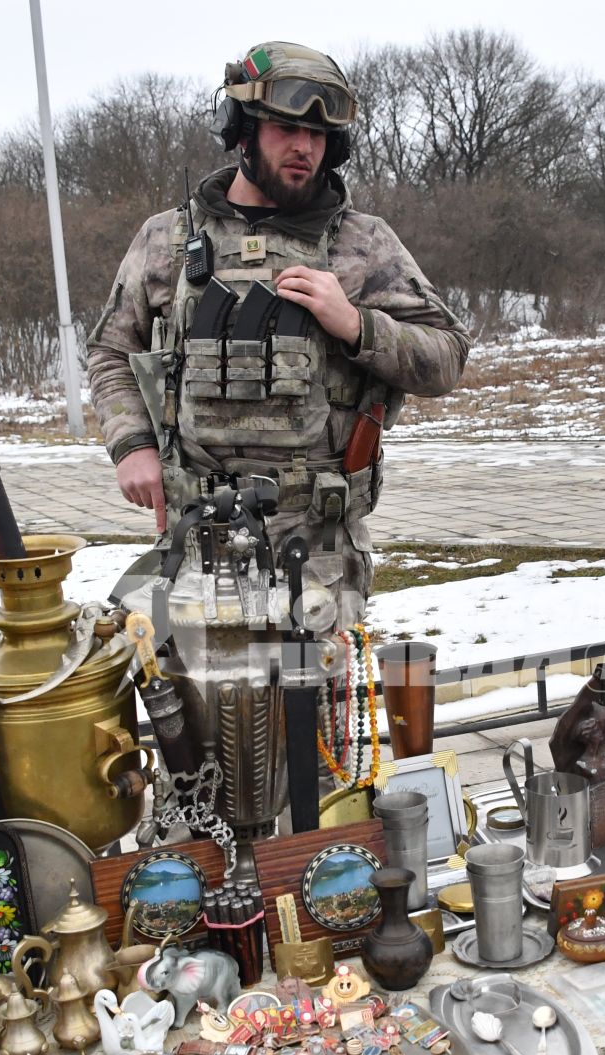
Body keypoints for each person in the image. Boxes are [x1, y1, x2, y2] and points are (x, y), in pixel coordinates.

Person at [86, 41, 469, 631]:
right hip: (198, 543)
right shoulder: (165, 240)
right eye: (287, 129)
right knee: (196, 715)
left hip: (318, 554)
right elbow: (112, 350)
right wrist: (131, 444)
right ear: (243, 131)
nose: (304, 148)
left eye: (319, 136)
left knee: (311, 718)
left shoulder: (363, 244)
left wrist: (356, 325)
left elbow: (447, 358)